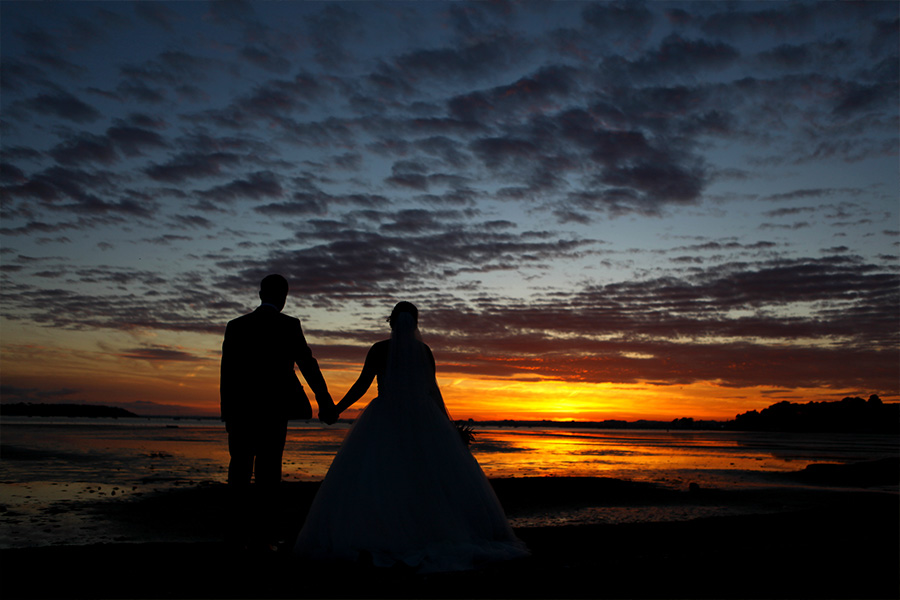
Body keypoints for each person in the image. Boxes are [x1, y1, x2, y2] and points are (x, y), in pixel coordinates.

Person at [294, 302, 528, 572]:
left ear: (391, 321)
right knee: (423, 477)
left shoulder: (380, 349)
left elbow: (362, 385)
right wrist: (448, 427)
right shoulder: (424, 351)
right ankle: (426, 529)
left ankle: (385, 530)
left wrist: (336, 409)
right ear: (415, 323)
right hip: (423, 417)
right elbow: (433, 392)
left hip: (386, 415)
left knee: (382, 476)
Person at [220, 274, 336, 551]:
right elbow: (307, 364)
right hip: (274, 412)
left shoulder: (236, 326)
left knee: (238, 471)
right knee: (269, 473)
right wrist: (325, 400)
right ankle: (265, 537)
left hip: (242, 413)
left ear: (260, 294)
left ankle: (236, 536)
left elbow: (228, 373)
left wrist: (228, 413)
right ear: (283, 297)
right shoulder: (289, 325)